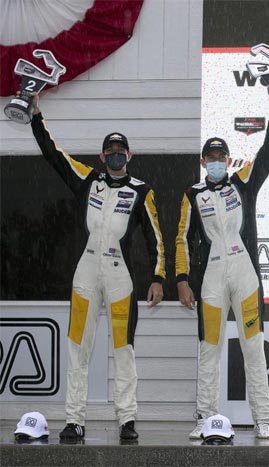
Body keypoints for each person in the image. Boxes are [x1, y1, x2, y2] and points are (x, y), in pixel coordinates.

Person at [29, 92, 166, 441]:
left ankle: (127, 421)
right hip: (86, 273)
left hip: (121, 278)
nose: (116, 155)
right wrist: (35, 115)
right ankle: (74, 420)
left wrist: (157, 277)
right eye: (110, 151)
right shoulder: (88, 179)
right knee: (77, 347)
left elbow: (156, 239)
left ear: (129, 155)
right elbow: (55, 156)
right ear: (102, 155)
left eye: (122, 150)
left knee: (124, 350)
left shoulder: (141, 190)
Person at [176, 83, 269, 440]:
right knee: (209, 348)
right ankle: (206, 417)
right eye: (212, 157)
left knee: (253, 347)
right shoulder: (192, 195)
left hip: (246, 275)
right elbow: (182, 238)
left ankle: (262, 418)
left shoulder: (243, 182)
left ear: (228, 159)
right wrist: (181, 279)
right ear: (203, 162)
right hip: (210, 279)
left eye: (222, 156)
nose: (218, 162)